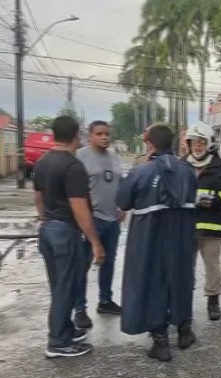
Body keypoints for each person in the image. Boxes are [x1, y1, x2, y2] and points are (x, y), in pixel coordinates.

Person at [116, 124, 198, 362]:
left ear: (149, 144)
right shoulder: (188, 170)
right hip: (181, 236)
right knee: (181, 278)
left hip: (149, 237)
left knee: (152, 282)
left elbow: (123, 201)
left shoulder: (141, 171)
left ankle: (161, 342)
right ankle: (184, 331)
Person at [34, 115, 105, 358]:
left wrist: (47, 221)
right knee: (66, 287)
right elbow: (79, 207)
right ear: (77, 135)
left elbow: (39, 199)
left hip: (48, 230)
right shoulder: (73, 166)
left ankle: (65, 329)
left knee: (58, 286)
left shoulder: (42, 162)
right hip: (65, 231)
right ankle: (58, 343)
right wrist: (95, 242)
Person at [184, 122, 221, 321]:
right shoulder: (181, 166)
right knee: (185, 267)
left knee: (212, 267)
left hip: (212, 227)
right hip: (186, 227)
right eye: (194, 143)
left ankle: (213, 301)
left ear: (209, 143)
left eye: (201, 142)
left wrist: (218, 201)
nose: (198, 146)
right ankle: (183, 301)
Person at [74, 121, 125, 330]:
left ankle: (105, 301)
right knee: (83, 264)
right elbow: (76, 192)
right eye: (99, 134)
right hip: (91, 219)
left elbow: (120, 185)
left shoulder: (114, 158)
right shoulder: (80, 157)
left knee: (109, 262)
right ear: (90, 136)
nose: (104, 137)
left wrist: (122, 207)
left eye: (107, 134)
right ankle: (79, 309)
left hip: (112, 220)